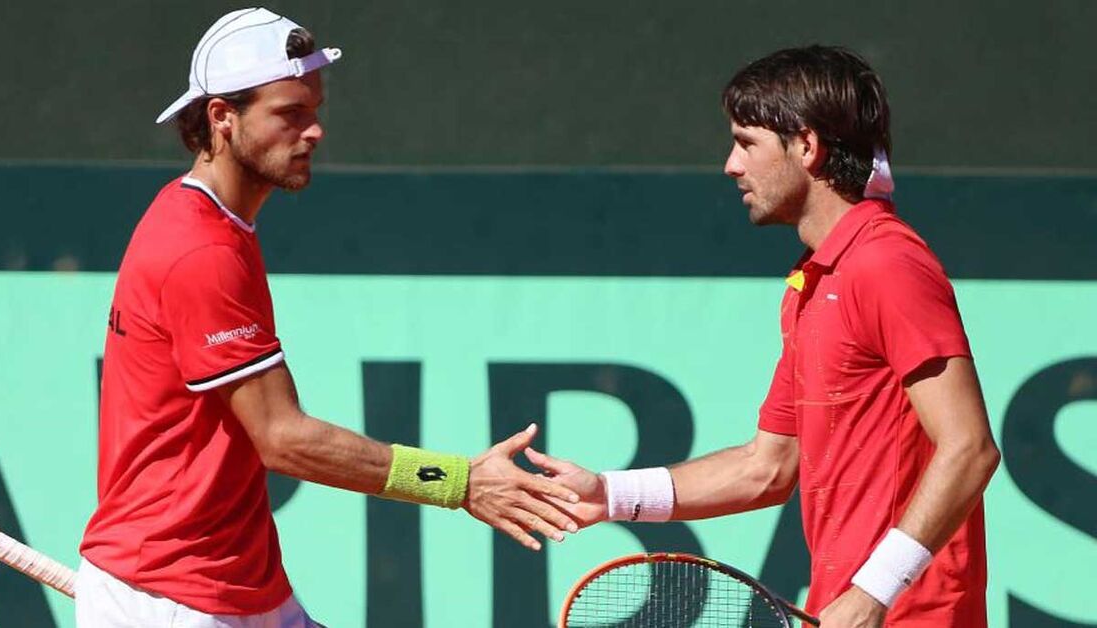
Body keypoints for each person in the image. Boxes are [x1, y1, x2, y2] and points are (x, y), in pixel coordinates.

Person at [77, 8, 578, 627]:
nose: (313, 131)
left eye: (315, 110)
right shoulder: (199, 250)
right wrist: (458, 482)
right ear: (222, 116)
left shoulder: (211, 227)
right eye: (290, 114)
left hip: (236, 582)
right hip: (170, 595)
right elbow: (282, 437)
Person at [528, 46, 1000, 628]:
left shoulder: (887, 263)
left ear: (807, 146)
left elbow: (969, 448)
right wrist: (609, 494)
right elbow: (766, 467)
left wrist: (873, 592)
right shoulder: (812, 283)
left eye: (746, 143)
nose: (731, 165)